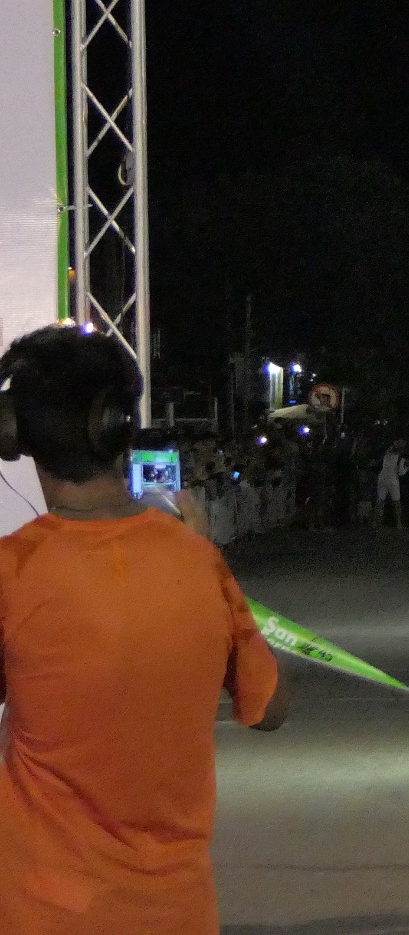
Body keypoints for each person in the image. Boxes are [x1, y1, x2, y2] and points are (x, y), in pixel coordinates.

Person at [0, 324, 288, 934]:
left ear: (15, 436)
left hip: (44, 911)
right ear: (119, 427)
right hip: (177, 914)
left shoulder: (13, 573)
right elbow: (269, 710)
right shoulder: (200, 560)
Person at [375, 439, 408, 528]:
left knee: (380, 501)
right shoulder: (400, 459)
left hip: (382, 479)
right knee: (396, 502)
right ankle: (398, 523)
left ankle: (377, 522)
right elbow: (401, 473)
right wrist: (407, 469)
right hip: (393, 481)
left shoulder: (386, 454)